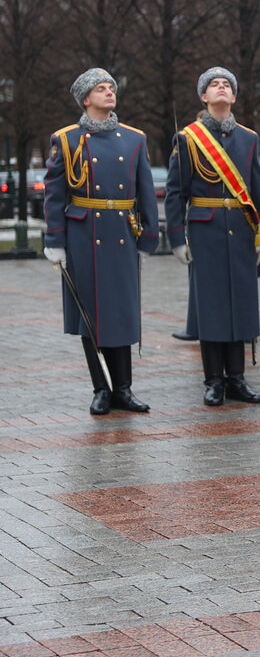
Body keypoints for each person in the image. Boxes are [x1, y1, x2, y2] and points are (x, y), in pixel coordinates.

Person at [44, 67, 159, 415]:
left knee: (122, 311)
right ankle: (102, 389)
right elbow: (55, 194)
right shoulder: (65, 139)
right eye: (100, 89)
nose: (109, 92)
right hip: (83, 233)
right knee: (90, 313)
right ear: (85, 99)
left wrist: (150, 234)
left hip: (121, 230)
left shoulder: (134, 138)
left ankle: (123, 388)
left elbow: (145, 191)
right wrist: (55, 239)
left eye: (111, 87)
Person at [166, 67, 260, 406]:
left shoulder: (249, 138)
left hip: (240, 230)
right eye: (214, 84)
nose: (221, 87)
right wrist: (178, 238)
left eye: (227, 84)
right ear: (204, 97)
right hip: (205, 229)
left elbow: (256, 193)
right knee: (211, 307)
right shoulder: (187, 138)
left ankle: (237, 379)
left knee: (241, 305)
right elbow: (174, 193)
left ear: (234, 96)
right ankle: (213, 381)